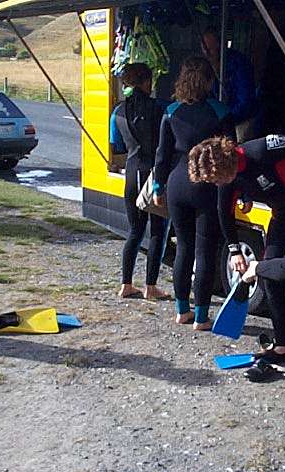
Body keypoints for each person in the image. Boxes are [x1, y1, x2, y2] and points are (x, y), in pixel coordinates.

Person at [188, 128, 285, 359]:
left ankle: (257, 271)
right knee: (270, 277)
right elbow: (224, 212)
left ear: (225, 165)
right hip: (283, 217)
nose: (216, 184)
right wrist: (234, 251)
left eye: (216, 180)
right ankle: (282, 348)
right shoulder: (226, 179)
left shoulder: (260, 150)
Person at [153, 56, 235, 330]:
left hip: (177, 182)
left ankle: (181, 310)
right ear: (209, 81)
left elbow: (162, 154)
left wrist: (157, 186)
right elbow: (231, 155)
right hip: (207, 185)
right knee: (205, 250)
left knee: (183, 248)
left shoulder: (171, 111)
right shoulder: (220, 111)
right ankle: (201, 316)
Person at [109, 63, 171, 300]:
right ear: (147, 83)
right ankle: (151, 286)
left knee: (135, 231)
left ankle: (126, 284)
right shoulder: (161, 108)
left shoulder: (118, 112)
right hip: (154, 172)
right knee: (157, 231)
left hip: (132, 170)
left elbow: (117, 145)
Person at [201, 27, 259, 140]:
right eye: (205, 49)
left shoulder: (239, 63)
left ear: (219, 45)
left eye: (210, 49)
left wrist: (226, 119)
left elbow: (245, 100)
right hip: (218, 124)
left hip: (240, 122)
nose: (207, 53)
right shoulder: (206, 66)